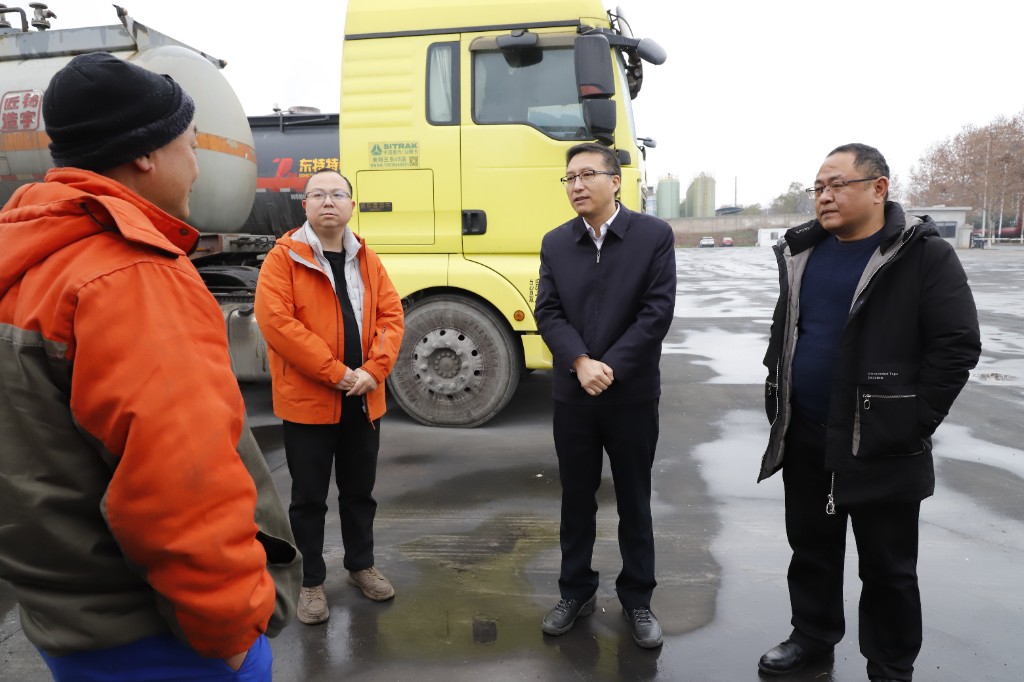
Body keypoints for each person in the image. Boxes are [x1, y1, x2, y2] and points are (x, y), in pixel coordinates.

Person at [0, 53, 301, 681]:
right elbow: (180, 487)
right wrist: (231, 629)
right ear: (144, 154)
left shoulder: (28, 258)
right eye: (190, 145)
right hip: (163, 637)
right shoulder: (129, 277)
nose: (197, 166)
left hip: (67, 617)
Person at [757, 143, 981, 681]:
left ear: (879, 188)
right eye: (818, 188)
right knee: (811, 549)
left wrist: (911, 421)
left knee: (889, 568)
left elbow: (956, 345)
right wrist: (778, 393)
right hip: (806, 435)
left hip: (883, 443)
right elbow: (787, 332)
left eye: (837, 184)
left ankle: (890, 664)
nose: (824, 196)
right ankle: (812, 637)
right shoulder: (803, 252)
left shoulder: (922, 255)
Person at [534, 142, 677, 649]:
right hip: (574, 396)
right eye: (569, 177)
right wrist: (579, 361)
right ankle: (575, 592)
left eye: (587, 174)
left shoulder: (653, 236)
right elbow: (547, 311)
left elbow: (656, 312)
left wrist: (609, 367)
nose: (576, 185)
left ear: (615, 181)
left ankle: (638, 599)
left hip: (631, 395)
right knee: (576, 499)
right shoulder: (556, 242)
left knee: (634, 500)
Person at [255, 168, 404, 625]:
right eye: (317, 194)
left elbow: (391, 317)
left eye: (337, 194)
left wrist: (373, 371)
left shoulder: (367, 258)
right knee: (308, 498)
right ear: (304, 205)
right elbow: (278, 324)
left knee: (360, 492)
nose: (328, 202)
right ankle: (311, 582)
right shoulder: (284, 259)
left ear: (351, 204)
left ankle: (361, 566)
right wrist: (336, 373)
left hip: (363, 399)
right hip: (309, 402)